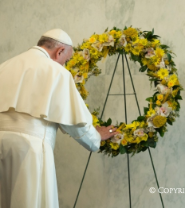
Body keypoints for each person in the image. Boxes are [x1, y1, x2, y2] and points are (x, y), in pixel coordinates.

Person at [0, 29, 118, 208]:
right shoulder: (56, 71)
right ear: (59, 52)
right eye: (66, 60)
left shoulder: (5, 66)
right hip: (30, 150)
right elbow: (76, 122)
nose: (65, 65)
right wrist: (96, 137)